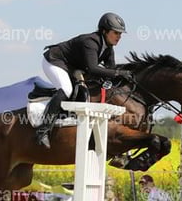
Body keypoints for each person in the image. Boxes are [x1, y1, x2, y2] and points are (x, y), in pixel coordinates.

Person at [37, 12, 133, 149]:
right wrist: (119, 73)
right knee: (66, 89)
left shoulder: (108, 49)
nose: (119, 37)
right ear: (104, 31)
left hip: (72, 67)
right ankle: (43, 130)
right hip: (54, 61)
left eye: (120, 34)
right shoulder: (91, 42)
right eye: (116, 33)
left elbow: (110, 71)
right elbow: (93, 69)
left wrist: (122, 76)